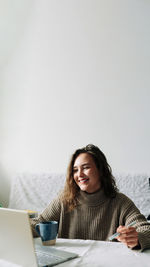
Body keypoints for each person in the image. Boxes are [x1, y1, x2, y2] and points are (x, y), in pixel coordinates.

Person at [30, 144, 150, 251]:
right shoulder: (63, 200)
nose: (79, 175)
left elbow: (145, 228)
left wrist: (137, 238)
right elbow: (39, 224)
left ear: (101, 170)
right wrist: (15, 225)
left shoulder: (121, 202)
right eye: (75, 170)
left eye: (86, 167)